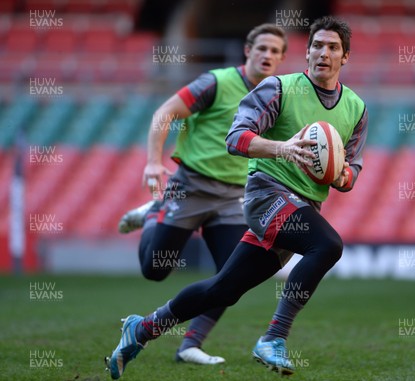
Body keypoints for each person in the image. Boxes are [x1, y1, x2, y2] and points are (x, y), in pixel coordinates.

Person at [106, 16, 368, 379]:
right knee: (327, 244)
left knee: (224, 289)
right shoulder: (279, 87)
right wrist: (282, 149)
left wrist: (341, 174)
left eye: (333, 47)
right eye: (317, 46)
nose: (323, 52)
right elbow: (236, 137)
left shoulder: (356, 108)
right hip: (266, 196)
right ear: (307, 52)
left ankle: (142, 329)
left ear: (346, 57)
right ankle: (273, 338)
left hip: (302, 205)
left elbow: (352, 169)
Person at [114, 23, 287, 365]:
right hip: (189, 186)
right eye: (262, 48)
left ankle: (190, 344)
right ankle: (153, 211)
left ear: (281, 58)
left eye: (275, 51)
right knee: (155, 269)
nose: (267, 55)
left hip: (235, 197)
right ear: (247, 51)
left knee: (232, 278)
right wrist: (153, 162)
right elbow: (165, 113)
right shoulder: (215, 82)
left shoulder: (278, 95)